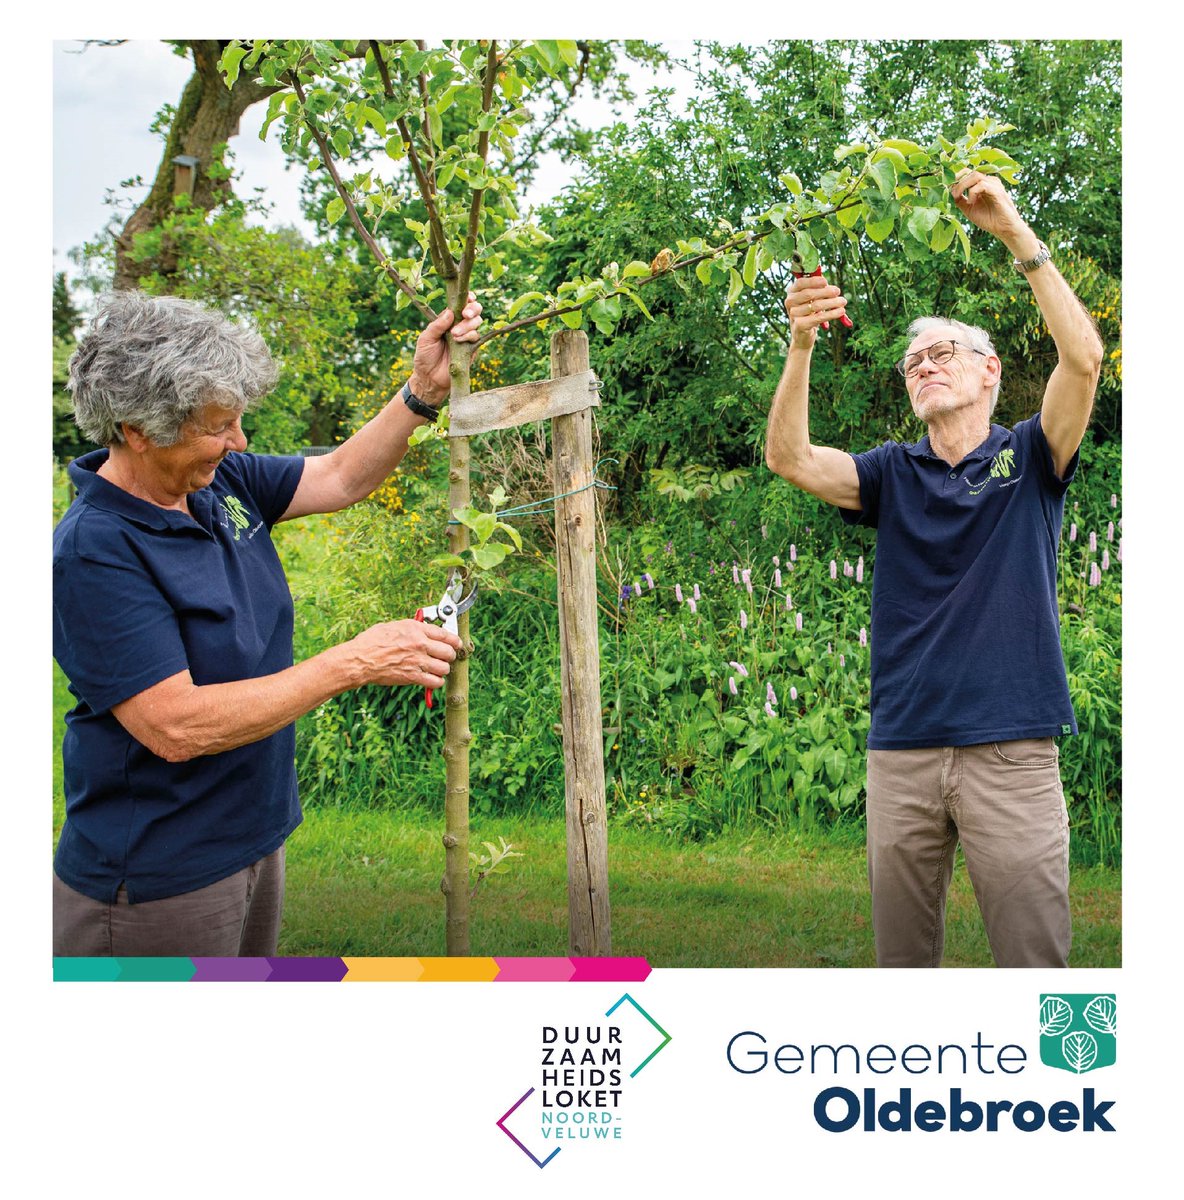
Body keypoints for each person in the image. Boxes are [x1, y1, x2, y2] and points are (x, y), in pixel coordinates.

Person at [53, 290, 482, 957]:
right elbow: (175, 726)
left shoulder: (217, 484)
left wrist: (422, 391)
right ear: (138, 430)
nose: (239, 441)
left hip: (252, 838)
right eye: (218, 425)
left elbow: (339, 476)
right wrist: (354, 663)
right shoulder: (95, 547)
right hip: (161, 876)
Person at [765, 172, 1104, 967]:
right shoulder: (892, 473)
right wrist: (802, 341)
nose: (922, 367)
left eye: (942, 353)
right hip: (903, 751)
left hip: (1011, 751)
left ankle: (1061, 1093)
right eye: (912, 362)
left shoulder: (1030, 456)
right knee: (903, 973)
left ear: (989, 373)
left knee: (1035, 965)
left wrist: (1014, 231)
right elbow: (789, 457)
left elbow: (1083, 360)